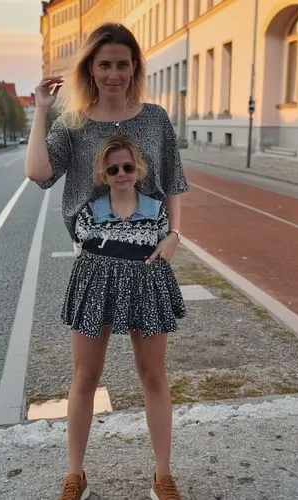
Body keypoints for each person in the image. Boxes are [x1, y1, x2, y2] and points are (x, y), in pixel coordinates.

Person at [25, 22, 189, 500]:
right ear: (91, 69)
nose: (114, 73)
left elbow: (174, 183)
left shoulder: (156, 118)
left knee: (154, 374)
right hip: (94, 265)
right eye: (105, 64)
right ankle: (75, 472)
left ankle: (163, 474)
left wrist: (176, 235)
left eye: (122, 63)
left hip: (147, 263)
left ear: (134, 66)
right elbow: (38, 173)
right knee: (85, 375)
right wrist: (41, 111)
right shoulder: (73, 123)